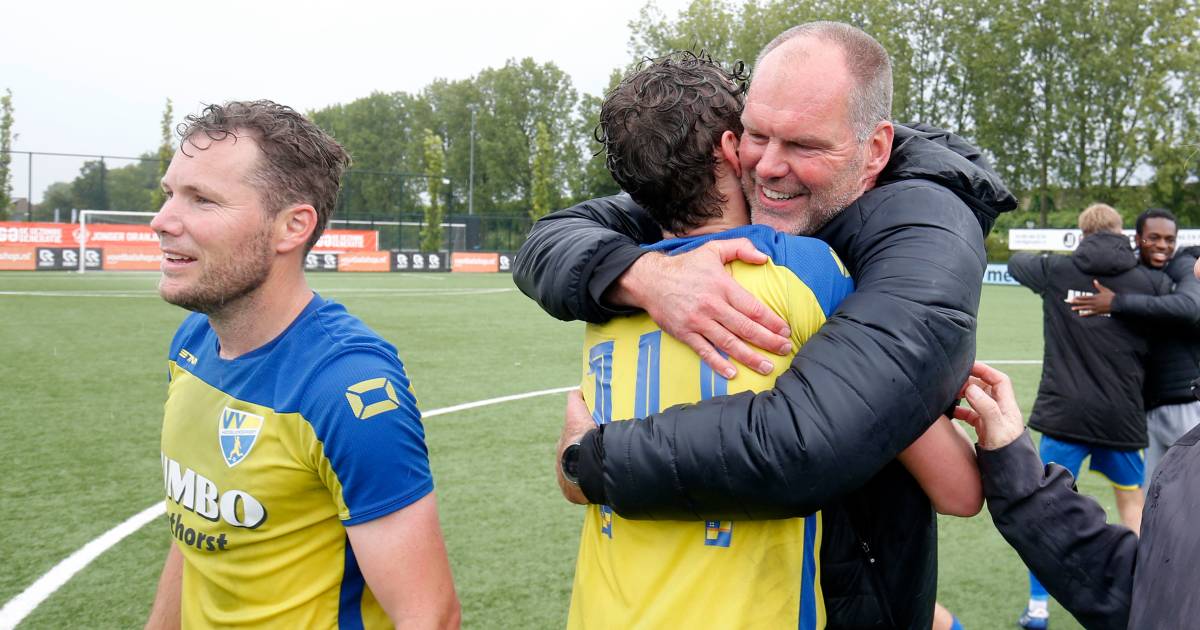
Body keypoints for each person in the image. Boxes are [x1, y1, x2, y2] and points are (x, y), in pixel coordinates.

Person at [518, 21, 1017, 629]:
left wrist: (587, 461)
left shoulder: (921, 230)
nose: (770, 166)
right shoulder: (805, 279)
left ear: (875, 150)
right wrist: (640, 275)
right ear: (731, 146)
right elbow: (960, 492)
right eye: (758, 136)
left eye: (805, 146)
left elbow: (810, 435)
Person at [144, 101, 460, 629]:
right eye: (170, 193)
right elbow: (192, 536)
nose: (161, 221)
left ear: (292, 227)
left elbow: (429, 616)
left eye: (201, 200)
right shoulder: (193, 341)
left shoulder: (346, 386)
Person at [1006, 203, 1170, 629]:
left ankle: (1038, 607)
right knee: (1132, 508)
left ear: (1081, 233)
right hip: (1122, 418)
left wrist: (1062, 264)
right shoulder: (1145, 280)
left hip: (1065, 416)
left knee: (1043, 513)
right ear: (1121, 233)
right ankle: (1143, 601)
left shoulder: (1058, 272)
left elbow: (1019, 262)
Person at [957, 351, 1200, 630]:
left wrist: (1118, 302)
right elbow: (1155, 596)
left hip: (1107, 420)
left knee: (1132, 499)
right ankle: (1038, 603)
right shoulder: (1191, 449)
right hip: (1078, 418)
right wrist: (1015, 466)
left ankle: (1037, 605)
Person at [1069, 208, 1200, 480]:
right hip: (1147, 408)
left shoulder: (1182, 266)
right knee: (1156, 495)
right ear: (1137, 238)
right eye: (1154, 238)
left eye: (1169, 239)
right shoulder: (1131, 273)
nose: (1163, 245)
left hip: (1185, 401)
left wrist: (1116, 303)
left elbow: (1190, 307)